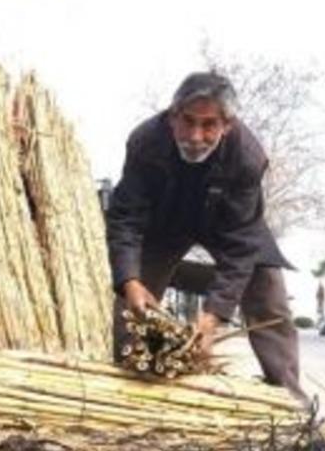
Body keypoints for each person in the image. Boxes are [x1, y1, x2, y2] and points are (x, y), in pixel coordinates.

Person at [105, 71, 306, 402]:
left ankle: (291, 402)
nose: (196, 136)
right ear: (172, 118)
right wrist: (129, 282)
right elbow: (125, 217)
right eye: (188, 121)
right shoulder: (145, 142)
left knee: (268, 290)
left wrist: (214, 315)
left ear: (226, 126)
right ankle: (128, 389)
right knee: (132, 296)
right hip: (164, 221)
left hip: (226, 224)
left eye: (209, 125)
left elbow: (243, 243)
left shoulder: (248, 157)